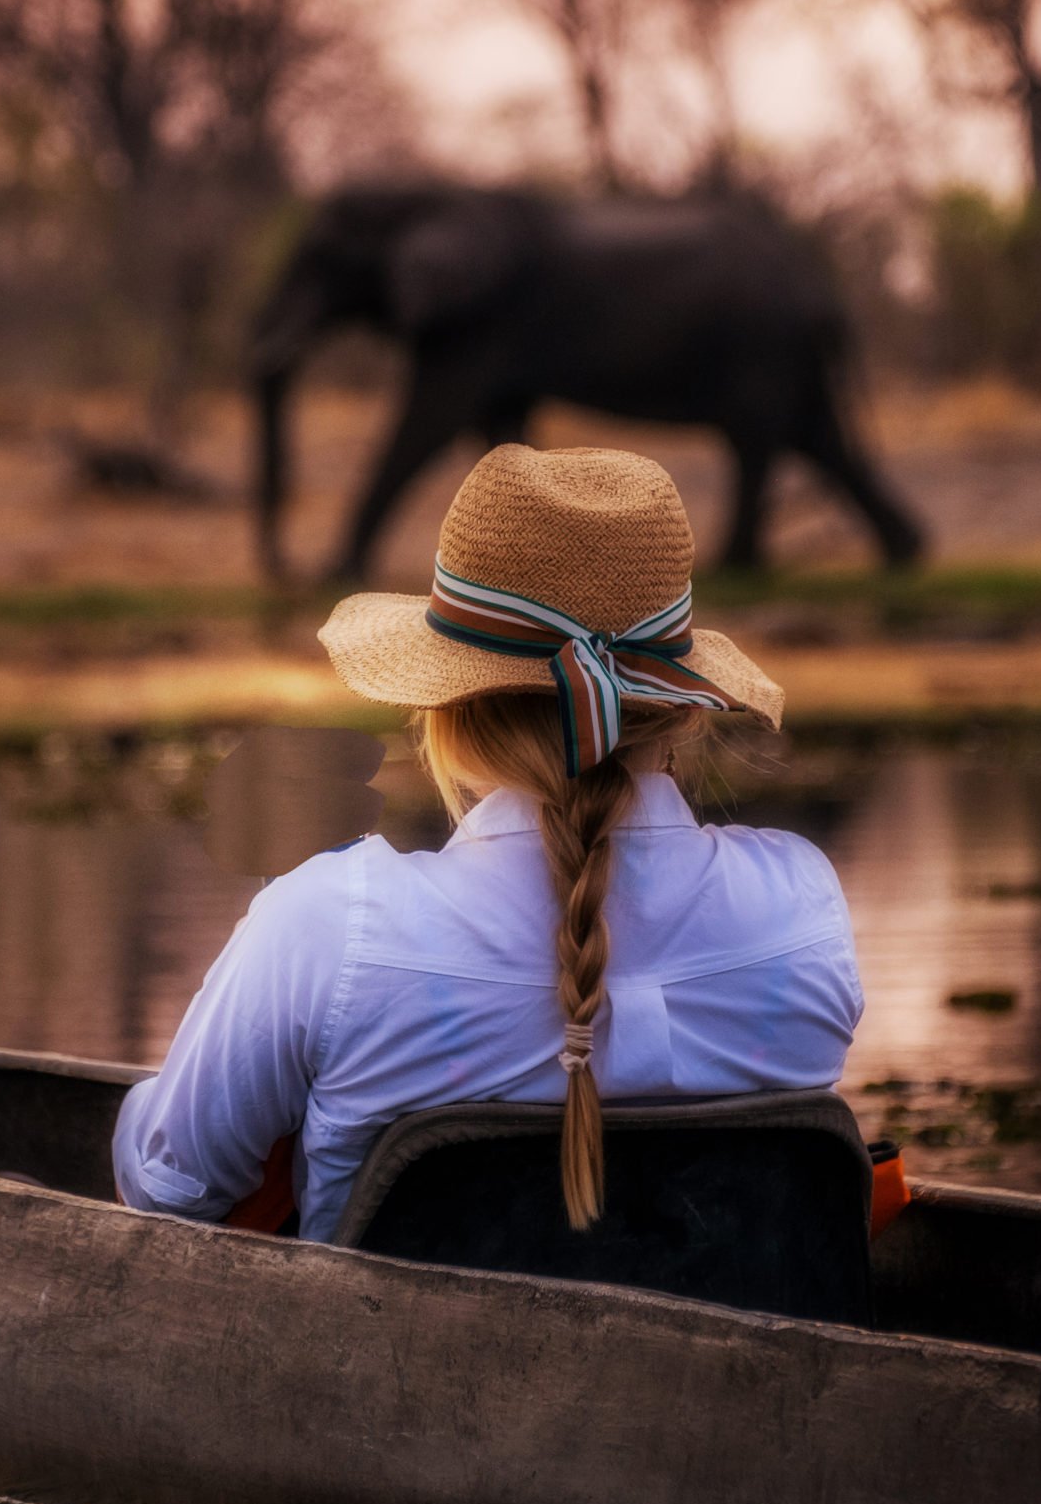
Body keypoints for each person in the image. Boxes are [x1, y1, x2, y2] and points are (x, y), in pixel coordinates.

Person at [112, 443, 863, 1242]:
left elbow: (170, 1194)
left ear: (447, 709)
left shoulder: (330, 930)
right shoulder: (800, 913)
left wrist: (140, 1119)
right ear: (683, 707)